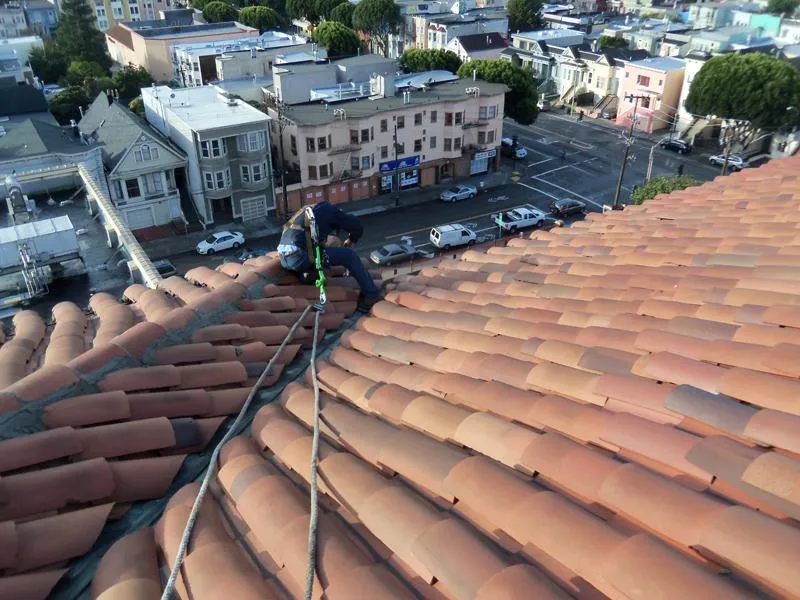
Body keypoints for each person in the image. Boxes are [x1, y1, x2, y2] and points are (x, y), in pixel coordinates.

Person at [277, 201, 382, 312]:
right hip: (300, 256)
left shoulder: (305, 213)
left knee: (317, 255)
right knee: (349, 256)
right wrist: (352, 239)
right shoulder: (330, 211)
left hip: (285, 258)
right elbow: (356, 226)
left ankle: (308, 275)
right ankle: (371, 294)